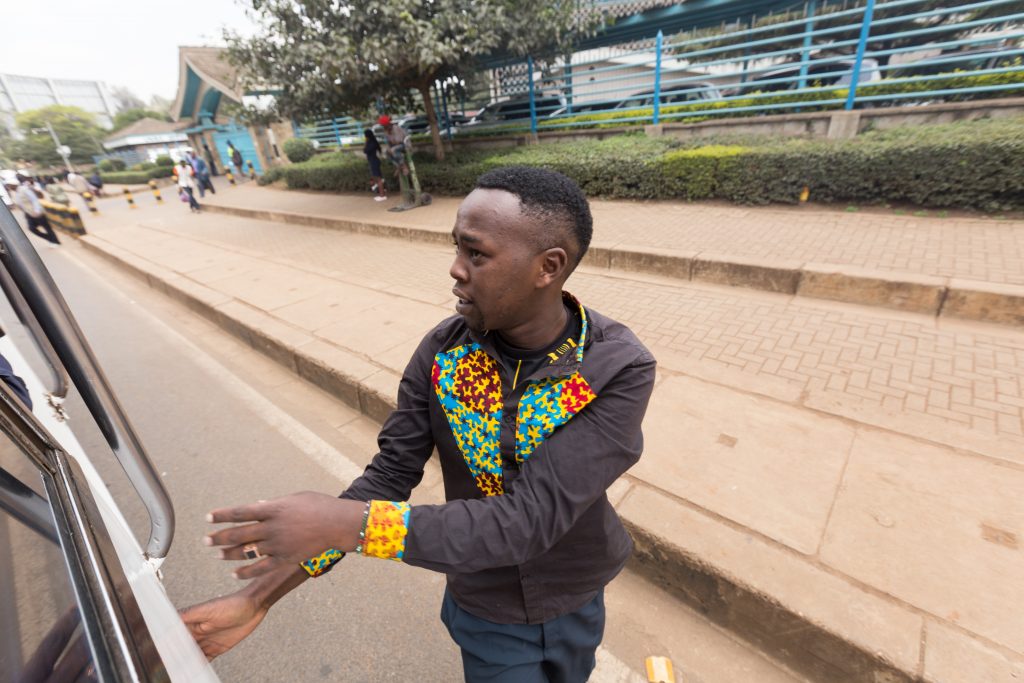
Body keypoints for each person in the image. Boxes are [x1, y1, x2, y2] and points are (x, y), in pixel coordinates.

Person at [183, 166, 657, 683]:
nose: (456, 269)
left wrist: (350, 524)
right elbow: (390, 476)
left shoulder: (616, 367)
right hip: (487, 610)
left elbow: (528, 521)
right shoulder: (443, 354)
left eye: (476, 254)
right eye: (456, 249)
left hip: (575, 594)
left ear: (548, 266)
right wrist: (257, 598)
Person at [12, 174, 60, 247]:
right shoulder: (17, 192)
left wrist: (37, 211)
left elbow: (34, 199)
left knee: (47, 227)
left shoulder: (24, 189)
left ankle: (55, 241)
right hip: (29, 213)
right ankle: (50, 238)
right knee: (32, 228)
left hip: (37, 212)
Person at [363, 129, 387, 202]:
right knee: (376, 178)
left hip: (374, 162)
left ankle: (382, 195)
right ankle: (381, 192)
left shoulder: (371, 143)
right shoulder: (372, 142)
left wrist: (366, 142)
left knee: (378, 179)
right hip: (373, 161)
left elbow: (365, 150)